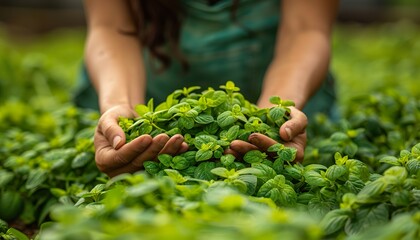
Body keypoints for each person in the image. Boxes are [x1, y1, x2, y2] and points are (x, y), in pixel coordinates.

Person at [76, 0, 339, 177]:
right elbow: (112, 26)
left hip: (289, 79)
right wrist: (119, 106)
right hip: (141, 93)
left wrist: (276, 113)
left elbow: (305, 29)